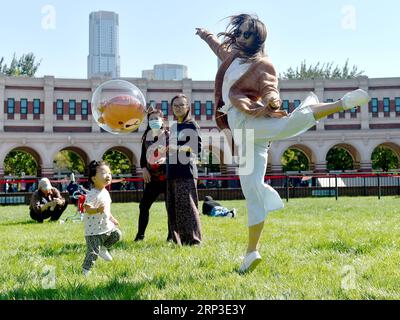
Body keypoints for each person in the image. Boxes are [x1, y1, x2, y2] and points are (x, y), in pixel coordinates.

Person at [196, 13, 370, 273]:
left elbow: (270, 88)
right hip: (242, 134)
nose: (242, 37)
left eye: (248, 34)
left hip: (249, 120)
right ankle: (251, 253)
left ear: (258, 39)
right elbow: (217, 46)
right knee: (251, 190)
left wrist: (273, 101)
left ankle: (341, 103)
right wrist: (205, 35)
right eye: (240, 32)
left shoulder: (263, 63)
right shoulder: (231, 57)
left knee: (289, 125)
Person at [166, 94, 203, 246]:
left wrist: (177, 148)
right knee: (173, 208)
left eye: (182, 105)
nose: (179, 108)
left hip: (186, 172)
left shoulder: (192, 125)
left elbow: (197, 148)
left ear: (188, 107)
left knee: (188, 207)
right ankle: (178, 240)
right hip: (171, 171)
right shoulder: (174, 126)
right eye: (176, 105)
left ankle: (194, 241)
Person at [135, 108, 171, 241]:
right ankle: (140, 235)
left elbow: (176, 155)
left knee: (170, 208)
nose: (154, 121)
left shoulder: (169, 136)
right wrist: (144, 168)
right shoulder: (146, 136)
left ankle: (171, 236)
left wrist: (166, 160)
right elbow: (143, 157)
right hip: (152, 179)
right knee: (143, 206)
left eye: (156, 118)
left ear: (162, 120)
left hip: (167, 178)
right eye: (151, 119)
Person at [82, 160, 122, 276]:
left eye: (109, 173)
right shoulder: (92, 194)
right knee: (93, 253)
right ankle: (85, 272)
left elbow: (106, 210)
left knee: (117, 234)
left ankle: (104, 248)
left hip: (106, 227)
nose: (108, 175)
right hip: (94, 231)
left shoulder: (105, 192)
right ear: (94, 178)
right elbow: (87, 209)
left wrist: (112, 218)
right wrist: (97, 210)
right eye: (104, 173)